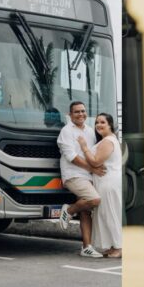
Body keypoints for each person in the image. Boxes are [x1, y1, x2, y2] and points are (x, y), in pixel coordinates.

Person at [56, 101, 106, 258]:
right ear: (70, 115)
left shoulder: (91, 131)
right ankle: (69, 210)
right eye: (76, 112)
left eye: (83, 111)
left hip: (88, 176)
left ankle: (87, 247)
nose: (81, 114)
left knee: (85, 212)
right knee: (95, 200)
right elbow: (71, 157)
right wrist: (92, 169)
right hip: (73, 175)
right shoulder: (66, 131)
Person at [77, 113, 122, 257]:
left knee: (110, 215)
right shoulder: (107, 140)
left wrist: (84, 147)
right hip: (105, 182)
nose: (99, 125)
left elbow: (96, 161)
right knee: (105, 214)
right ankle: (113, 246)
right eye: (97, 122)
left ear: (110, 125)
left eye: (103, 122)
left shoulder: (108, 141)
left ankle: (119, 247)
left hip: (108, 183)